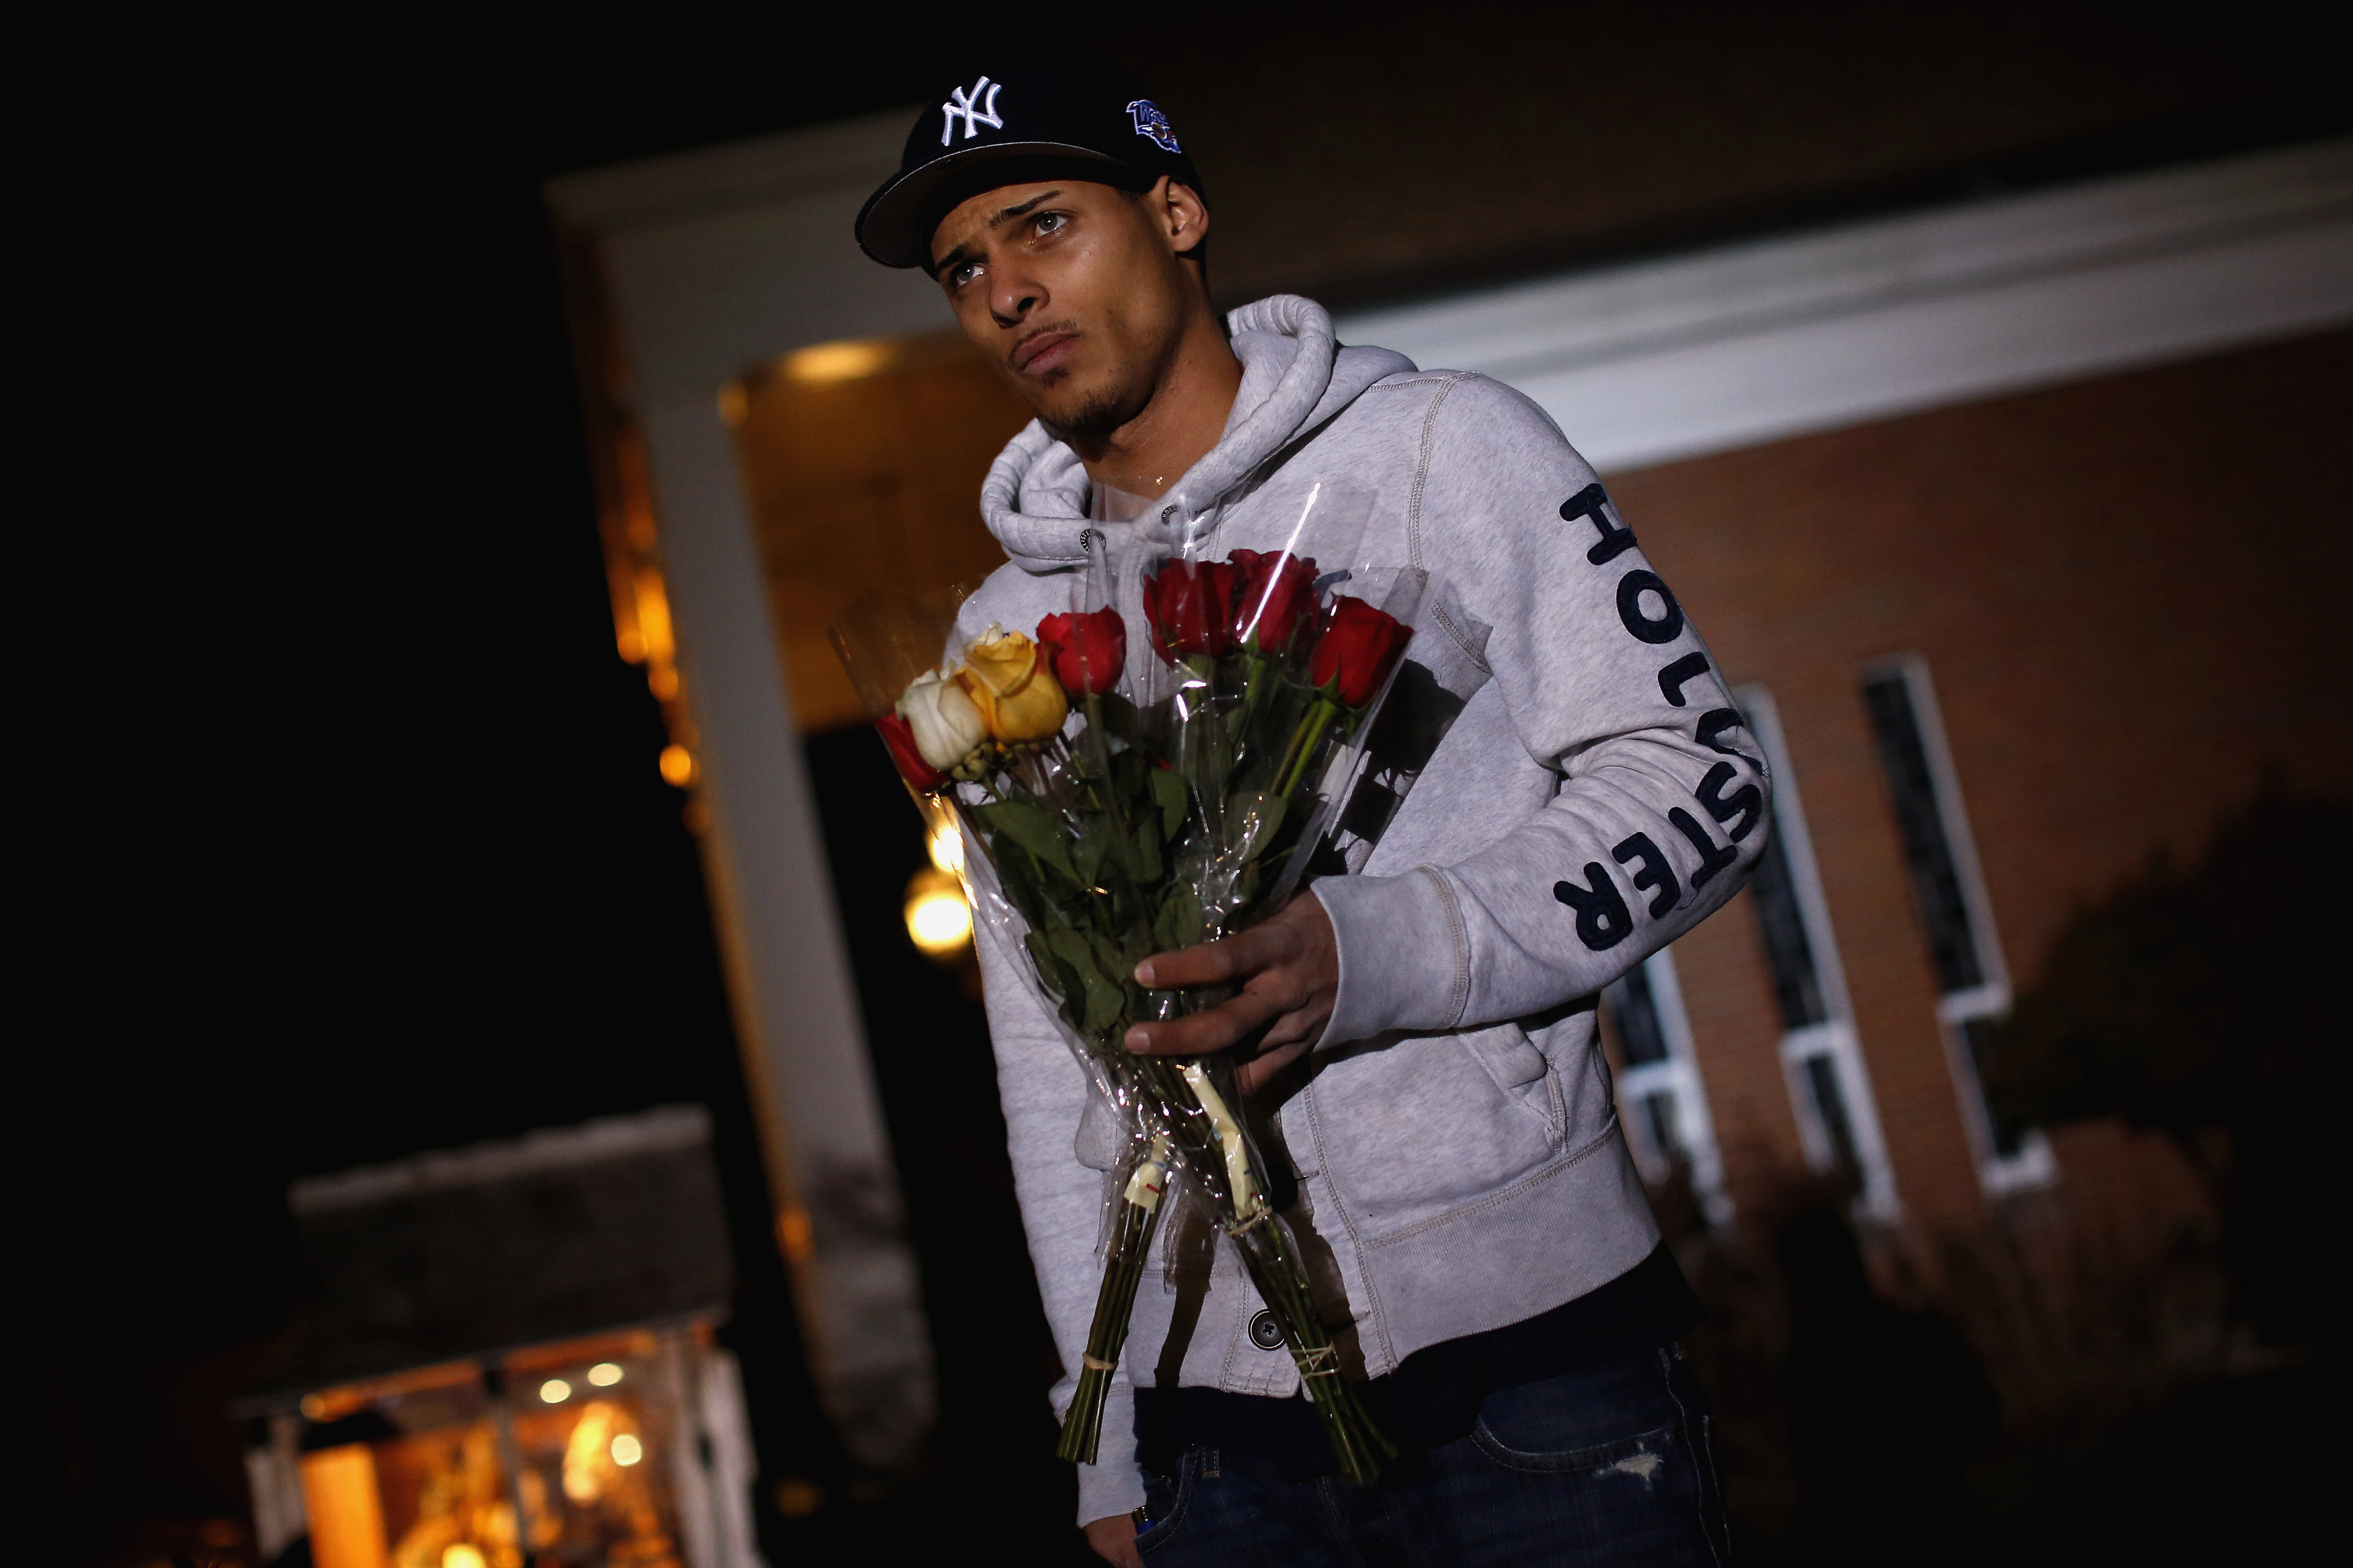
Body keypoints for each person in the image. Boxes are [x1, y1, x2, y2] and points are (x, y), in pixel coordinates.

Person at [856, 59, 1767, 1566]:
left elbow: (1700, 781)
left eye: (1041, 227)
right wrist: (1105, 1445)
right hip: (1214, 1443)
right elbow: (1045, 1054)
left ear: (1177, 209)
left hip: (1530, 1364)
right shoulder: (995, 635)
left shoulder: (1440, 455)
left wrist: (1383, 949)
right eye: (966, 269)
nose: (1006, 290)